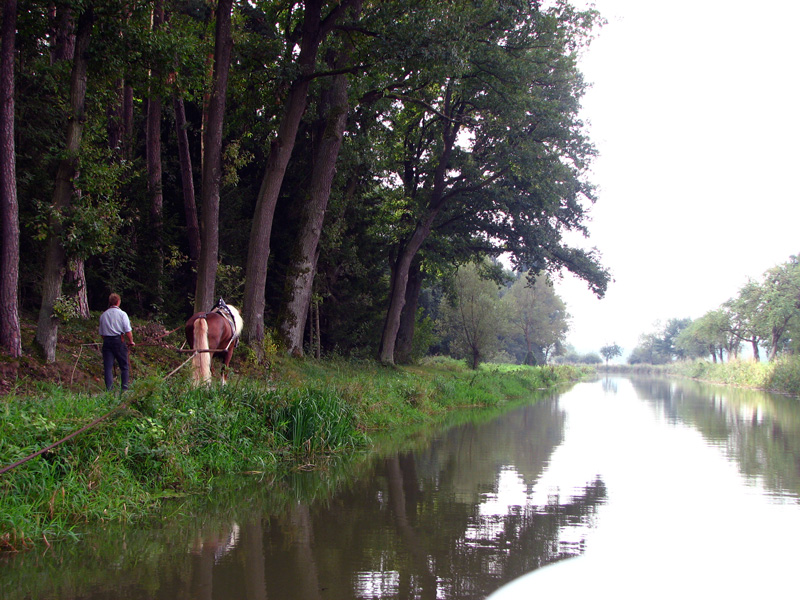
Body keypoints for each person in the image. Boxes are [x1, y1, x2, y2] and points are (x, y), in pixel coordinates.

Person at [98, 293, 135, 392]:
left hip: (107, 342)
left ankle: (109, 390)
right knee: (124, 366)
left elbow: (101, 333)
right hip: (119, 341)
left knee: (108, 367)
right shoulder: (122, 314)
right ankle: (124, 389)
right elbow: (127, 330)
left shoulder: (103, 315)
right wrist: (131, 341)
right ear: (118, 302)